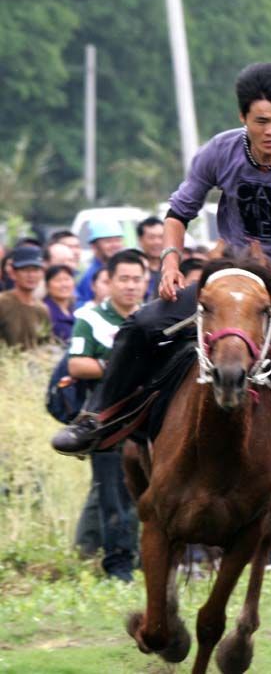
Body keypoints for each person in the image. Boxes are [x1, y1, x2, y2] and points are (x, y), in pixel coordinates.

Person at [51, 62, 271, 516]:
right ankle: (99, 419)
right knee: (143, 324)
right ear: (243, 117)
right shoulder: (219, 152)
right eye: (261, 121)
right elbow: (179, 210)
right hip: (227, 281)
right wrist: (170, 261)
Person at [68, 249, 148, 582]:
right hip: (107, 423)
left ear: (146, 282)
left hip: (147, 423)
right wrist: (118, 367)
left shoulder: (154, 317)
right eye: (124, 279)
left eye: (137, 279)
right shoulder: (90, 319)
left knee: (148, 495)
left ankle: (148, 560)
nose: (131, 286)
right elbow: (76, 364)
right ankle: (118, 567)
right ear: (109, 282)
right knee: (113, 497)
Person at [0, 245, 51, 348]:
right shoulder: (3, 303)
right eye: (25, 270)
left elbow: (46, 344)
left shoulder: (42, 309)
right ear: (13, 273)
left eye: (36, 270)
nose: (31, 275)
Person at [75, 220, 125, 304]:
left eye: (117, 240)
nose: (114, 245)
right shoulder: (86, 275)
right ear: (94, 246)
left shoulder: (124, 269)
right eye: (108, 241)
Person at [43, 264, 76, 343]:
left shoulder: (73, 308)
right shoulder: (45, 309)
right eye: (58, 280)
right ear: (47, 286)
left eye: (67, 279)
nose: (64, 284)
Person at [136, 216, 165, 300]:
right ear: (140, 240)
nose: (157, 242)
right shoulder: (134, 267)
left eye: (161, 237)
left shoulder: (174, 267)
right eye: (151, 237)